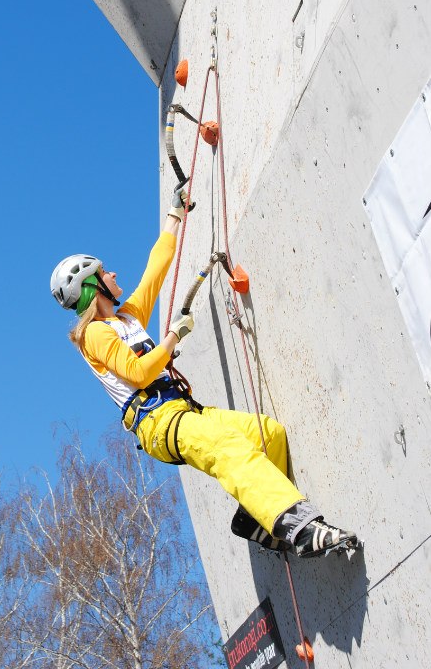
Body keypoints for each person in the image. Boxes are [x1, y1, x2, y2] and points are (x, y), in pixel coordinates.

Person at [50, 182, 358, 558]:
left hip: (183, 410)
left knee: (268, 434)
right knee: (227, 449)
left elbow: (156, 268)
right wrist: (171, 339)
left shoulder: (127, 317)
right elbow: (137, 372)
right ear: (93, 286)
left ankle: (255, 521)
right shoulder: (94, 334)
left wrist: (175, 214)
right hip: (160, 423)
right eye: (104, 272)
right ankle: (301, 527)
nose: (113, 273)